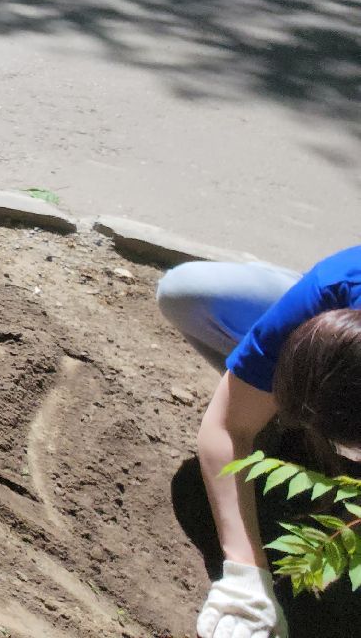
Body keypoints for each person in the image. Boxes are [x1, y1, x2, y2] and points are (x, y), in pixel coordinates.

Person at [157, 246, 361, 638]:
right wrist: (245, 576)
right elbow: (228, 427)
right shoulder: (336, 285)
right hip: (328, 307)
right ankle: (279, 317)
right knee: (185, 292)